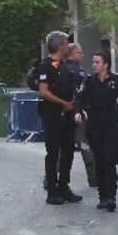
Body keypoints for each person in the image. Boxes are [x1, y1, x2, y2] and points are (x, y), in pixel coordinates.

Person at [79, 50, 118, 211]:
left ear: (105, 64)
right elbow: (80, 99)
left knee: (109, 159)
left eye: (97, 62)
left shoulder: (115, 80)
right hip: (94, 124)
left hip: (111, 124)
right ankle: (103, 196)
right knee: (99, 160)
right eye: (93, 62)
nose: (94, 65)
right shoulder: (89, 81)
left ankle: (111, 197)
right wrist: (77, 112)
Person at [34, 31, 83, 205]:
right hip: (52, 115)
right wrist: (63, 103)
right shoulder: (46, 66)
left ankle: (64, 187)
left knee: (68, 152)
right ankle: (52, 191)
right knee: (53, 153)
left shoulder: (63, 66)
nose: (69, 46)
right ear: (60, 45)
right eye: (67, 43)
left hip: (67, 116)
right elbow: (43, 91)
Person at [65, 43, 97, 189]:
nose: (82, 55)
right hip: (78, 113)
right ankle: (93, 177)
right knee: (84, 144)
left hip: (64, 112)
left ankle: (52, 179)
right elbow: (81, 93)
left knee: (62, 147)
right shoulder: (79, 72)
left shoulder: (61, 68)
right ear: (73, 53)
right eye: (80, 53)